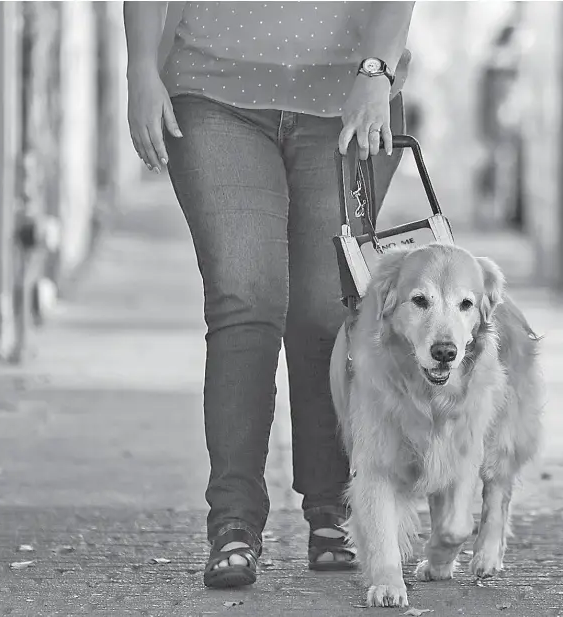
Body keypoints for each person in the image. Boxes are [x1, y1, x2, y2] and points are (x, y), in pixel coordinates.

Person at [124, 1, 415, 588]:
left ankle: (334, 509)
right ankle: (233, 521)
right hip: (210, 92)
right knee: (244, 301)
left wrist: (377, 71)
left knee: (325, 312)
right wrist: (139, 73)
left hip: (348, 98)